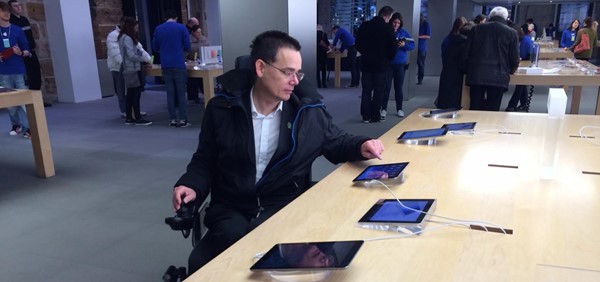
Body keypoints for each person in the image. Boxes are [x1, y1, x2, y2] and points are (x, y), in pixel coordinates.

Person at [171, 30, 385, 273]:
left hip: (283, 206)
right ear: (261, 68)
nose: (296, 81)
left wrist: (361, 145)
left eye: (298, 73)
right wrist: (190, 184)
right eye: (288, 72)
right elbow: (204, 160)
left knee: (272, 251)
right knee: (223, 251)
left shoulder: (307, 113)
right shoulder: (222, 109)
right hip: (232, 206)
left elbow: (336, 141)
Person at [460, 6, 519, 111]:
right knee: (493, 110)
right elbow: (514, 58)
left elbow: (465, 53)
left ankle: (473, 126)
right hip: (499, 75)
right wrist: (510, 71)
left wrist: (466, 70)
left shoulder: (476, 29)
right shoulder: (512, 33)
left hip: (476, 73)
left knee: (475, 108)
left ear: (490, 16)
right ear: (506, 18)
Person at [355, 6, 397, 123]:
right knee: (379, 90)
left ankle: (365, 116)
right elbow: (393, 48)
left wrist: (366, 53)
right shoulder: (388, 28)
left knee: (366, 90)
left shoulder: (365, 25)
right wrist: (387, 58)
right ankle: (375, 116)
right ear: (387, 16)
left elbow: (357, 44)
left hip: (367, 63)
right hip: (381, 64)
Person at [152, 9, 191, 127]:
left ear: (165, 18)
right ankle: (183, 119)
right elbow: (188, 46)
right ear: (176, 18)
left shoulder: (158, 29)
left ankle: (172, 119)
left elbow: (155, 46)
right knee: (181, 93)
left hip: (166, 64)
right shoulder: (181, 28)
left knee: (170, 93)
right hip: (178, 63)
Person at [107, 16, 149, 119]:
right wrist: (126, 63)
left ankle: (133, 112)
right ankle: (126, 111)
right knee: (123, 90)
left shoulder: (128, 36)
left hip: (129, 67)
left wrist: (148, 59)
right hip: (121, 67)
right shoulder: (116, 36)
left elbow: (139, 49)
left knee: (132, 92)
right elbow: (118, 53)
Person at [0, 2, 30, 138]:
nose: (6, 13)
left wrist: (21, 53)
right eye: (3, 11)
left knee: (22, 101)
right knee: (10, 104)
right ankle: (15, 124)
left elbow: (27, 50)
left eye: (8, 11)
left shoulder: (17, 30)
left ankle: (27, 128)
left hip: (18, 69)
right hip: (3, 71)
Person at [381, 12, 414, 120]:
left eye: (398, 23)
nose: (396, 25)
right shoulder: (387, 31)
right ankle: (383, 109)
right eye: (395, 22)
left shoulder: (404, 33)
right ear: (391, 21)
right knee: (386, 87)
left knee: (398, 88)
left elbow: (412, 45)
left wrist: (404, 45)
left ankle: (399, 109)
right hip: (389, 63)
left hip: (400, 64)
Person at [118, 17, 152, 126]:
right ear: (131, 27)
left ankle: (129, 117)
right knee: (135, 95)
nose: (137, 29)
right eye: (136, 27)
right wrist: (142, 59)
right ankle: (137, 117)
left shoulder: (122, 37)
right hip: (132, 69)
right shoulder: (127, 38)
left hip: (129, 68)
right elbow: (131, 55)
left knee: (130, 95)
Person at [436, 22, 474, 110]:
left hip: (447, 74)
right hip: (459, 77)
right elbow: (463, 64)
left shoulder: (451, 41)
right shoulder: (465, 45)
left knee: (446, 103)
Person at [8, 0, 40, 92]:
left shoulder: (24, 19)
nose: (19, 7)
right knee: (26, 77)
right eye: (15, 6)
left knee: (36, 74)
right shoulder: (11, 21)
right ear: (10, 9)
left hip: (31, 51)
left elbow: (30, 35)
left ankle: (37, 98)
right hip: (21, 54)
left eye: (19, 5)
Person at [506, 26, 533, 112]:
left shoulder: (525, 40)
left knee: (520, 84)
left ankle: (512, 104)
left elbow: (529, 53)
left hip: (525, 62)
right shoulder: (522, 39)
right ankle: (523, 103)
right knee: (522, 83)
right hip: (521, 61)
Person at [186, 25, 209, 103]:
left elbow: (207, 48)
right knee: (193, 79)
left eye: (200, 32)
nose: (199, 34)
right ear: (193, 32)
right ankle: (193, 97)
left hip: (202, 61)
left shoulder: (204, 39)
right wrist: (187, 60)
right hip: (191, 61)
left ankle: (206, 94)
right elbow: (185, 51)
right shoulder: (188, 40)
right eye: (197, 32)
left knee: (202, 79)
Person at [416, 13, 431, 85]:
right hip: (414, 46)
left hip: (422, 48)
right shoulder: (415, 23)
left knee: (421, 64)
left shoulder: (426, 24)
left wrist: (418, 36)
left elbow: (428, 36)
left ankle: (420, 79)